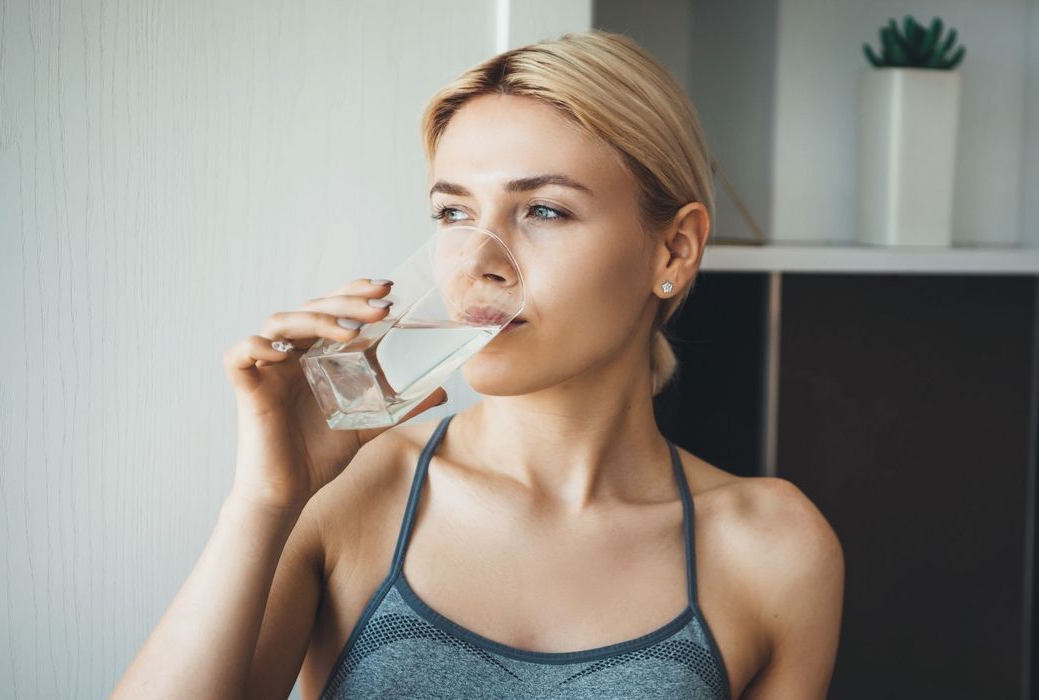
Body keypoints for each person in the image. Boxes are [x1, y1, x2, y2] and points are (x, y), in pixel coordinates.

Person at [112, 29, 843, 700]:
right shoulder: (346, 494)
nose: (476, 265)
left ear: (674, 251)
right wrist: (265, 500)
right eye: (454, 215)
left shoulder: (773, 549)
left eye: (544, 211)